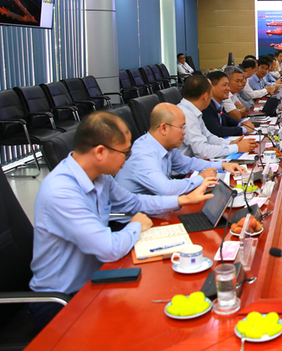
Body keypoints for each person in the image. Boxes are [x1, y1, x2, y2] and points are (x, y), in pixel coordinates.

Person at [29, 111, 214, 329]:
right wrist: (137, 224)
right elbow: (109, 249)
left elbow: (134, 202)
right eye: (125, 154)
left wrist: (182, 199)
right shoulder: (62, 192)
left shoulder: (99, 176)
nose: (127, 161)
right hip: (63, 301)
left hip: (99, 277)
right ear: (100, 152)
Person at [116, 103, 245, 196]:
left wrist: (222, 165)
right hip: (132, 220)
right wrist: (201, 178)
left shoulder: (165, 147)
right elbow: (166, 189)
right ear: (164, 128)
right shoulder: (144, 154)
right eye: (182, 128)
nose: (184, 133)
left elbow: (188, 164)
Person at [177, 75, 258, 159]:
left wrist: (230, 144)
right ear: (205, 96)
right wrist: (236, 148)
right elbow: (202, 151)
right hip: (186, 169)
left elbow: (209, 137)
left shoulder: (193, 110)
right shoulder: (186, 115)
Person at [203, 71, 254, 137]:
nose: (228, 89)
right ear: (211, 87)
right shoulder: (206, 106)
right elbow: (217, 130)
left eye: (228, 85)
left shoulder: (219, 103)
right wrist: (242, 129)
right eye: (224, 85)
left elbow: (227, 119)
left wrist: (241, 123)